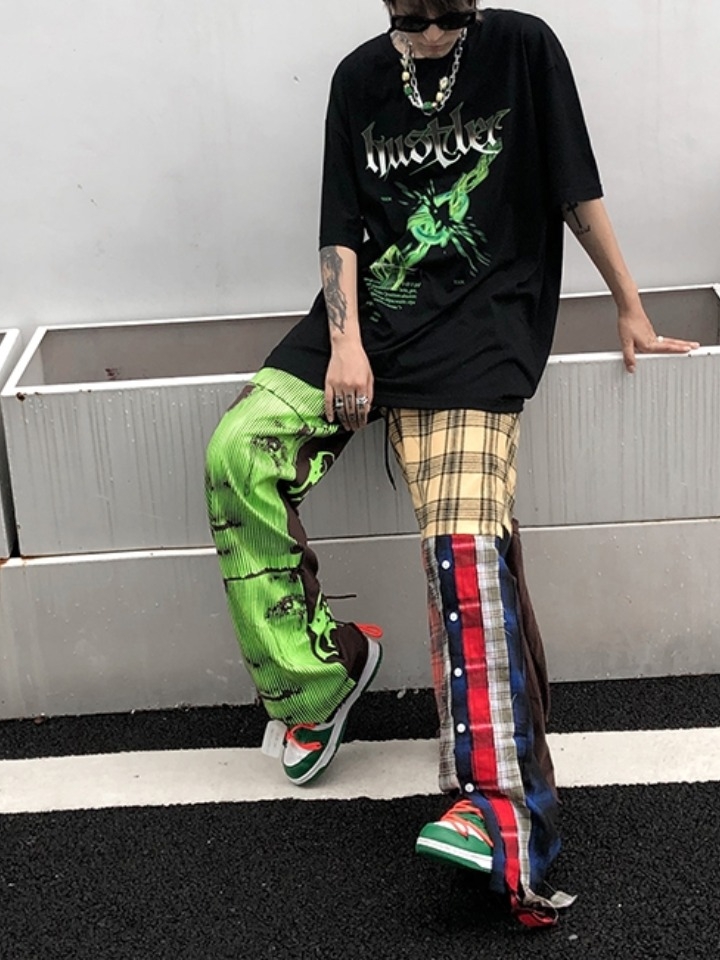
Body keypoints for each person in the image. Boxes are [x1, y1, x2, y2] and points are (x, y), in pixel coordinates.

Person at [205, 0, 698, 927]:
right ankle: (319, 678)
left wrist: (629, 302)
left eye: (445, 15)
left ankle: (501, 813)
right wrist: (345, 345)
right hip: (369, 321)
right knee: (237, 452)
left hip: (480, 328)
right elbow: (340, 230)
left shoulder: (522, 47)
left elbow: (574, 188)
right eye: (412, 16)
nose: (430, 32)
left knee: (463, 544)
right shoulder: (359, 77)